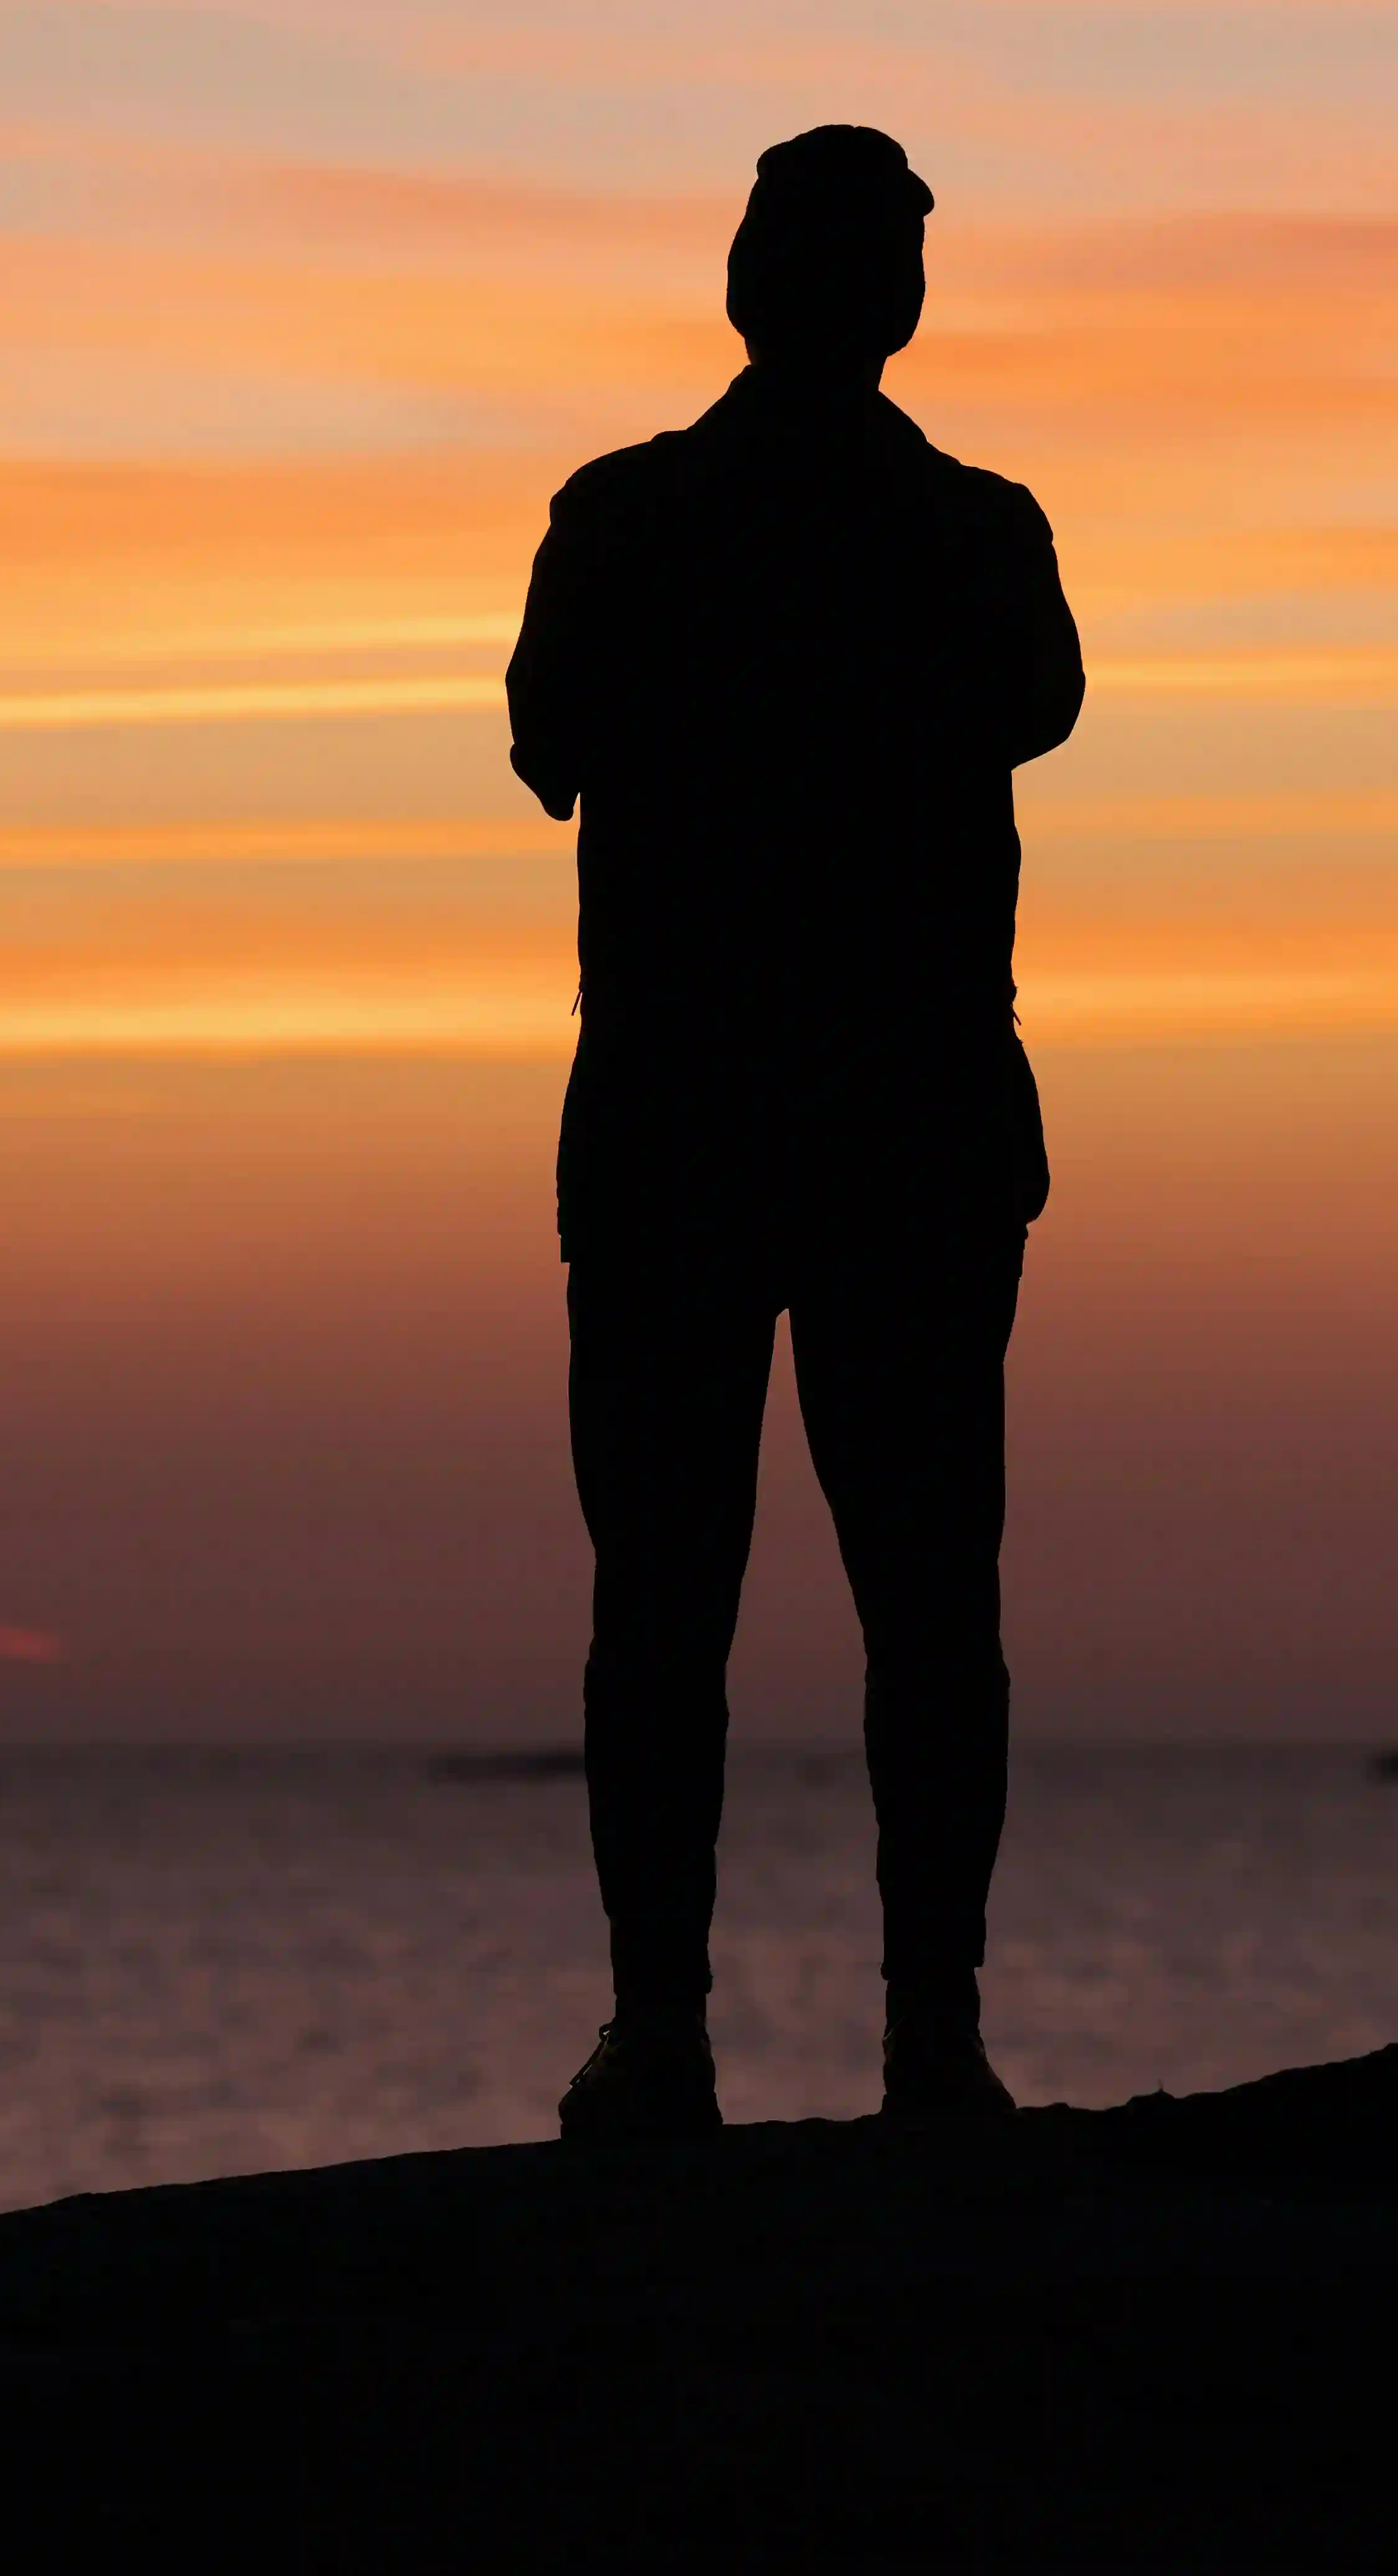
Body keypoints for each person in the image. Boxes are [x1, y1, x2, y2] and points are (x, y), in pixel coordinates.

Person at [505, 124, 1086, 2139]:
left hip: (735, 1126)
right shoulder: (973, 533)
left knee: (692, 1598)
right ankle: (910, 2038)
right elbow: (1031, 709)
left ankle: (689, 2031)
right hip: (861, 1126)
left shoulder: (633, 518)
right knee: (909, 1598)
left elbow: (546, 746)